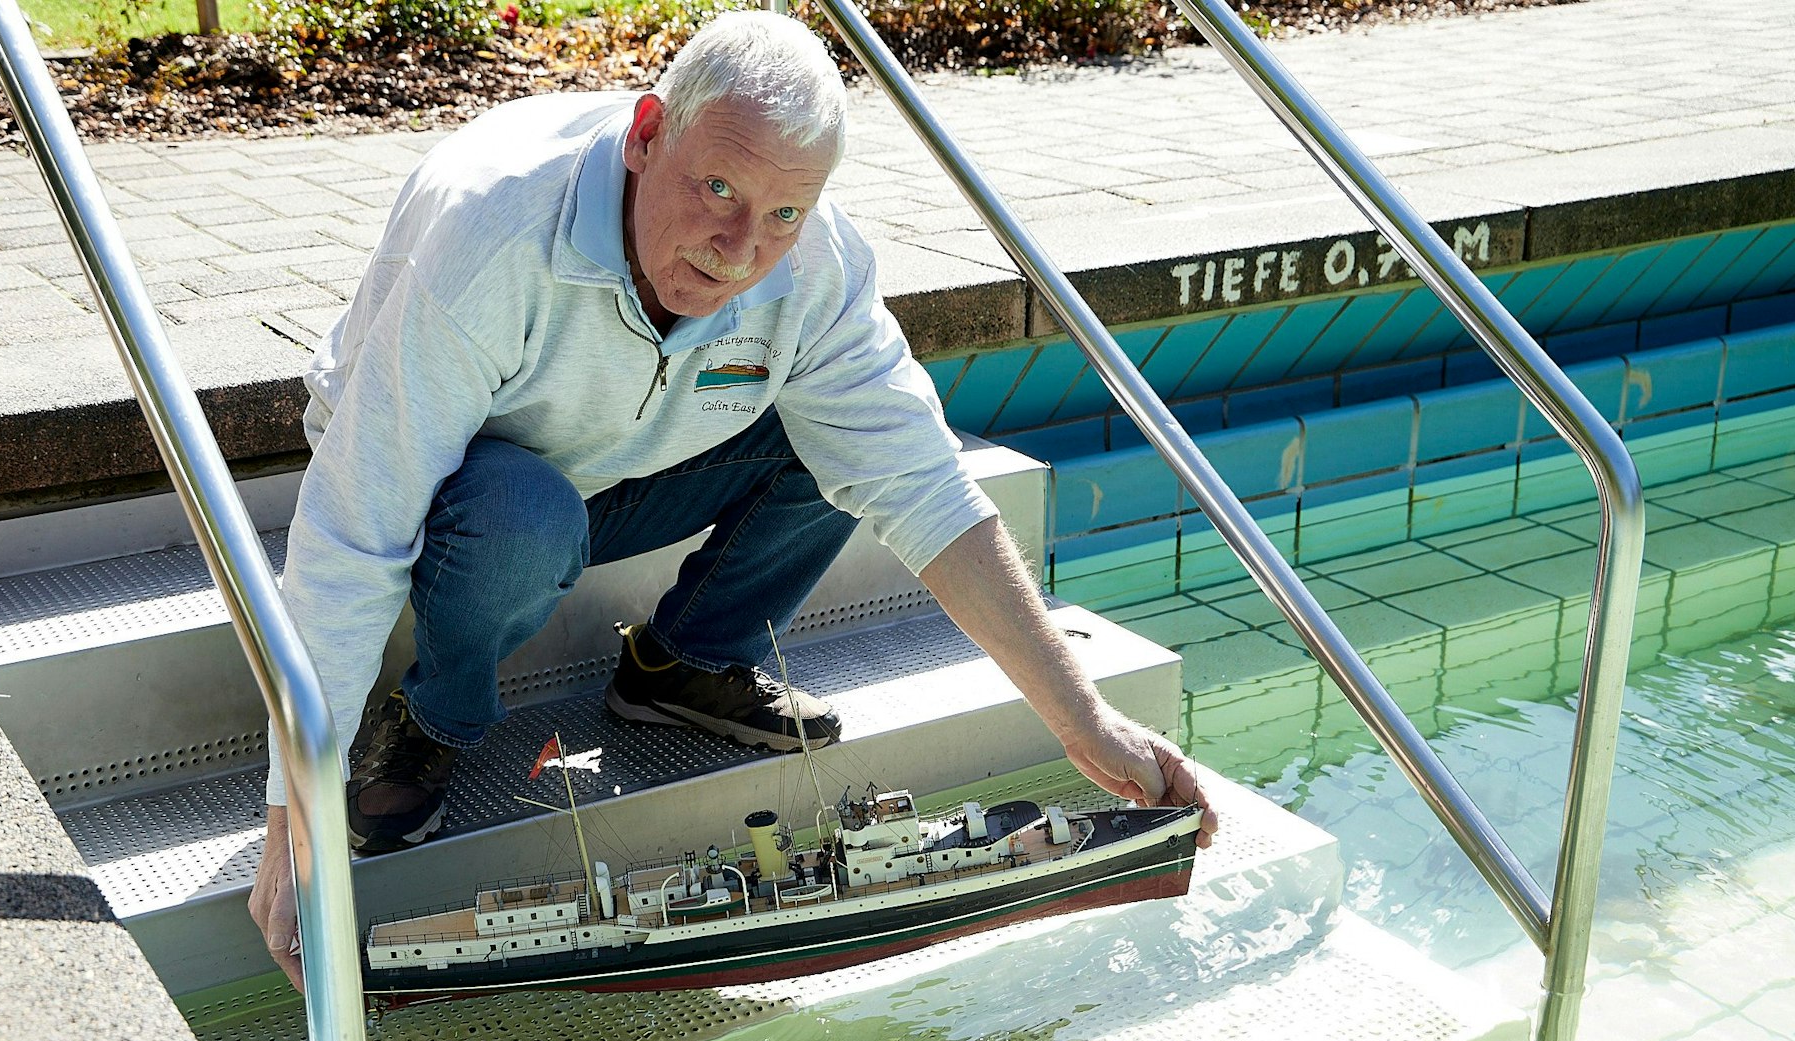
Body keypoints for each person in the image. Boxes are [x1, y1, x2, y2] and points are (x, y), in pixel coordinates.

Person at [248, 10, 1218, 990]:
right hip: (470, 496)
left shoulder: (814, 268)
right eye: (716, 188)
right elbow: (351, 534)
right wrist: (294, 816)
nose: (739, 249)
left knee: (846, 434)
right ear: (642, 135)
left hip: (633, 457)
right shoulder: (491, 234)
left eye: (782, 214)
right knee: (522, 516)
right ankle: (432, 718)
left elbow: (920, 483)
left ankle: (681, 665)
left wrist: (1082, 721)